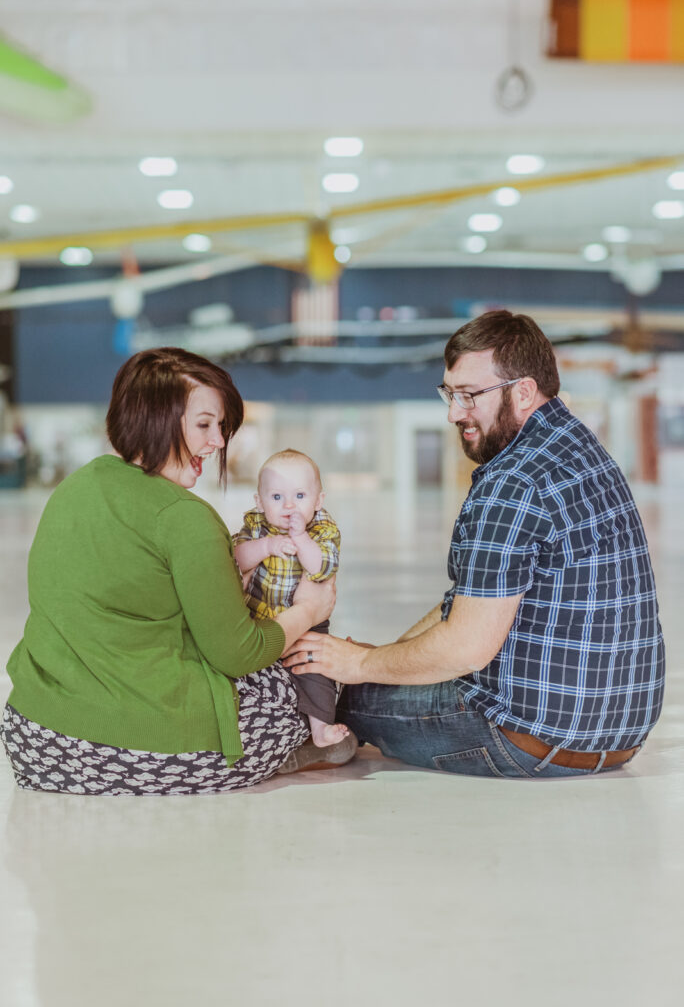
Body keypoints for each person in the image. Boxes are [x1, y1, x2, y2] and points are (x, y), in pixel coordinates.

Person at [285, 310, 666, 778]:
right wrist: (382, 656)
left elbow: (466, 647)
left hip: (529, 736)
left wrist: (361, 664)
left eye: (469, 395)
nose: (453, 413)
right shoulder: (579, 446)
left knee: (344, 691)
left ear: (523, 391)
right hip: (620, 733)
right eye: (449, 392)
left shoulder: (513, 480)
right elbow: (469, 603)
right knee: (377, 667)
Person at [1, 347, 355, 796]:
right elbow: (239, 654)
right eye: (205, 425)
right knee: (310, 671)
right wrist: (307, 610)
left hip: (37, 737)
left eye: (220, 427)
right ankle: (291, 748)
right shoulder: (184, 516)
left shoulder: (76, 485)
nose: (219, 442)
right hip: (139, 749)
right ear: (156, 419)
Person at [234, 449, 349, 748]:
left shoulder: (323, 530)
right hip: (258, 617)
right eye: (276, 498)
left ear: (318, 500)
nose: (288, 506)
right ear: (259, 501)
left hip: (308, 626)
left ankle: (321, 729)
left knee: (316, 673)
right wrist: (267, 546)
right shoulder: (257, 526)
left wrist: (301, 539)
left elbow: (322, 567)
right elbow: (236, 558)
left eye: (299, 496)